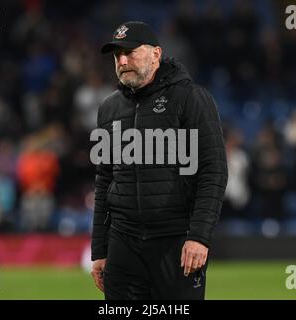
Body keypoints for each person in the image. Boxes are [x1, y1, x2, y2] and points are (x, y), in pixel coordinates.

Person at [91, 21, 228, 300]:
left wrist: (199, 236)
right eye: (117, 55)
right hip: (123, 242)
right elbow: (104, 180)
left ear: (156, 54)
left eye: (130, 52)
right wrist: (100, 250)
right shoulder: (108, 108)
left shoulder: (190, 98)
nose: (122, 60)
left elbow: (213, 171)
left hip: (176, 241)